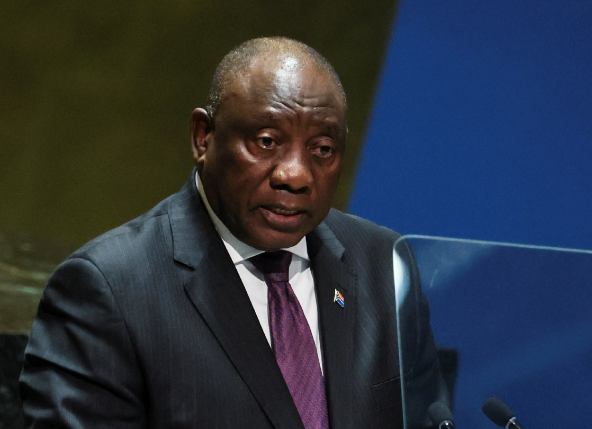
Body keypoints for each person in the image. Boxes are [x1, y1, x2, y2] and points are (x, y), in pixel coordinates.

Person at [19, 37, 445, 428]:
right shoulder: (110, 288)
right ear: (203, 137)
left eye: (322, 150)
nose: (296, 175)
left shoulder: (383, 263)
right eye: (265, 141)